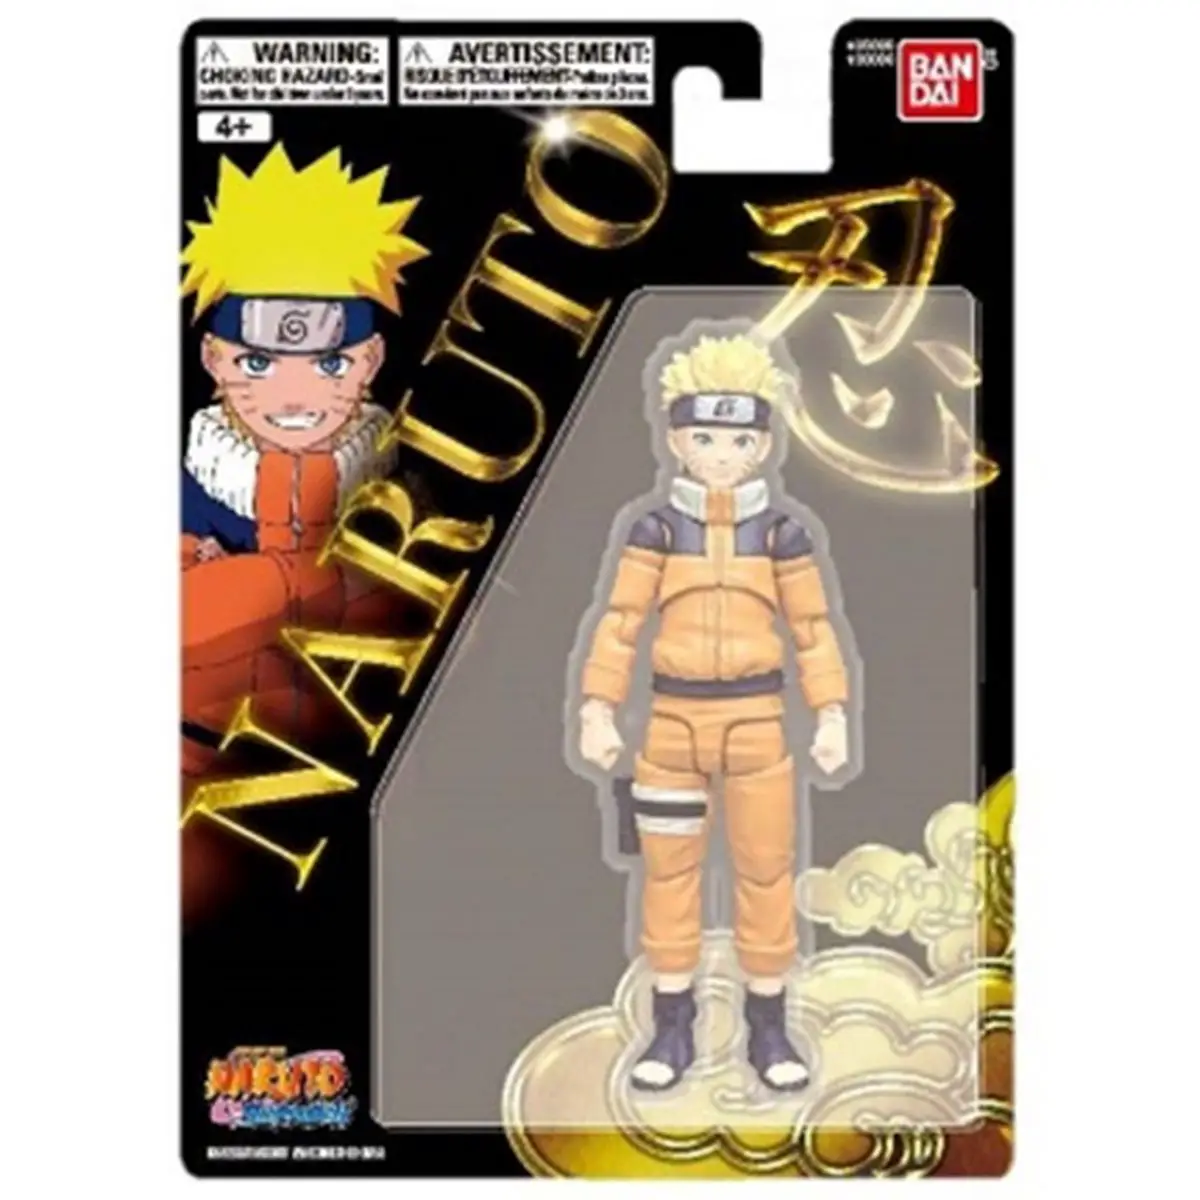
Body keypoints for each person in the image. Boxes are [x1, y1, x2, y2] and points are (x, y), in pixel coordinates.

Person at [577, 334, 852, 1092]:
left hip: (759, 724)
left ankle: (769, 1027)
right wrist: (597, 707)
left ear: (763, 444)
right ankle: (672, 1028)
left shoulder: (783, 534)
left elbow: (812, 629)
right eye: (704, 438)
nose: (722, 454)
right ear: (675, 441)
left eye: (739, 440)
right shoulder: (657, 530)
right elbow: (621, 622)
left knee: (766, 871)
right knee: (669, 878)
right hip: (671, 727)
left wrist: (832, 713)